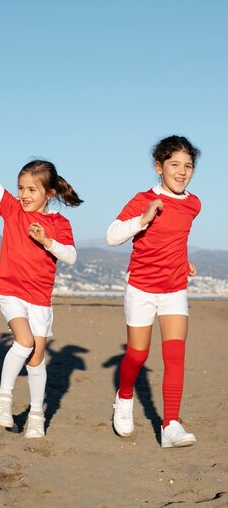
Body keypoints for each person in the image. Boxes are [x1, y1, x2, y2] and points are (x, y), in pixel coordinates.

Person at [0, 122, 82, 439]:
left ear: (49, 193)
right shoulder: (12, 210)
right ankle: (4, 397)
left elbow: (71, 256)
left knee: (36, 359)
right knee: (23, 342)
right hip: (10, 291)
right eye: (21, 187)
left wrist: (47, 242)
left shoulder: (59, 222)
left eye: (31, 190)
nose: (23, 195)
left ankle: (36, 414)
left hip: (40, 299)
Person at [106, 135, 201, 448]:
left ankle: (170, 424)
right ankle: (123, 399)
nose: (182, 171)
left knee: (175, 356)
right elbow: (112, 236)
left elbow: (175, 237)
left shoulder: (193, 204)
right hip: (141, 288)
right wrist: (143, 219)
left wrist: (183, 260)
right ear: (159, 167)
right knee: (137, 354)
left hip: (174, 288)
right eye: (175, 164)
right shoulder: (142, 198)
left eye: (188, 166)